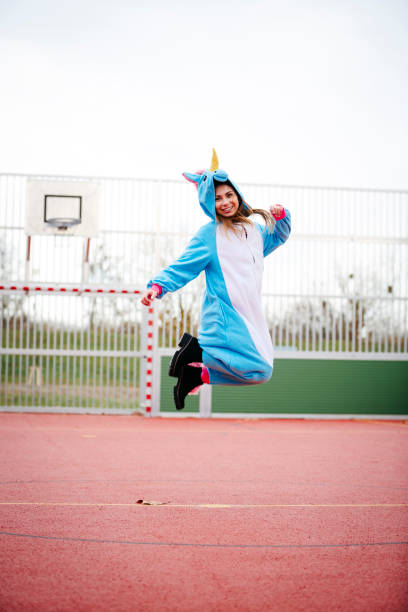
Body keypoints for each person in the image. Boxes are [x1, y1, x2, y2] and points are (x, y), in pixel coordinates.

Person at [141, 152, 291, 410]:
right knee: (259, 367)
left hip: (250, 314)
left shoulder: (253, 231)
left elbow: (277, 237)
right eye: (217, 198)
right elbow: (183, 266)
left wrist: (282, 217)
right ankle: (196, 353)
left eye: (229, 195)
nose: (224, 202)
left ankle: (196, 373)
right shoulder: (209, 235)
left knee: (261, 372)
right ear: (209, 203)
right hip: (225, 315)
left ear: (238, 195)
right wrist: (158, 286)